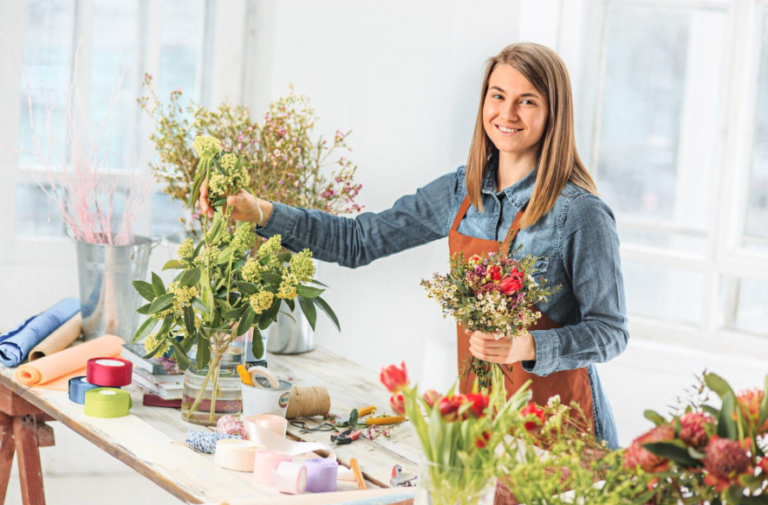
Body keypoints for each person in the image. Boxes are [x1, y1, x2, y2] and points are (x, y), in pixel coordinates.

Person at [199, 42, 628, 450]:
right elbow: (358, 241)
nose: (507, 112)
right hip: (481, 426)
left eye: (527, 100)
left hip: (563, 431)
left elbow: (611, 331)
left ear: (554, 112)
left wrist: (530, 346)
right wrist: (260, 212)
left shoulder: (580, 213)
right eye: (498, 96)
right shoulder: (461, 192)